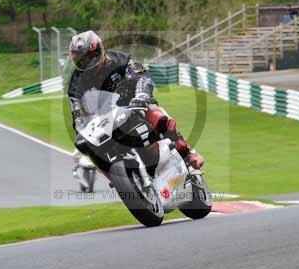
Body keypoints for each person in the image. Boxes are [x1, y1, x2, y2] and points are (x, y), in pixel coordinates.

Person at [67, 30, 204, 173]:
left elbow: (142, 75)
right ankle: (118, 177)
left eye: (88, 58)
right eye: (81, 61)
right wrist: (82, 131)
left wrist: (141, 96)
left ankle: (187, 154)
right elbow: (77, 116)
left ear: (98, 51)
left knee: (158, 117)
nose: (86, 63)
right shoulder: (75, 83)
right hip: (106, 121)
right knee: (89, 154)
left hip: (135, 105)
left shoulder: (122, 60)